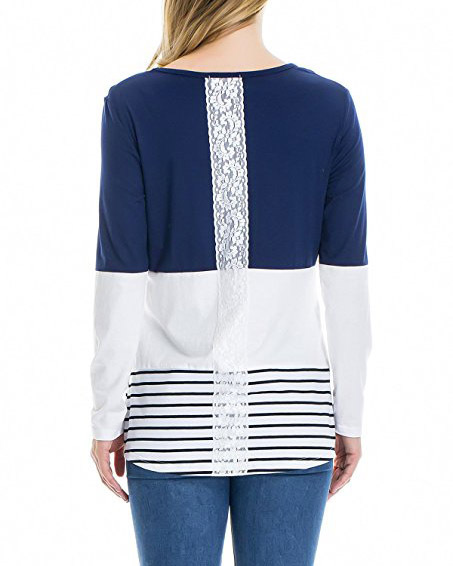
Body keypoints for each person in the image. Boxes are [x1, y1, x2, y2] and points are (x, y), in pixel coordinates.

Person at [90, 0, 371, 564]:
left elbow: (119, 275)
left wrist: (106, 414)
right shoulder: (328, 105)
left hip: (169, 416)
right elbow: (347, 282)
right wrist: (349, 417)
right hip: (293, 417)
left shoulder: (133, 103)